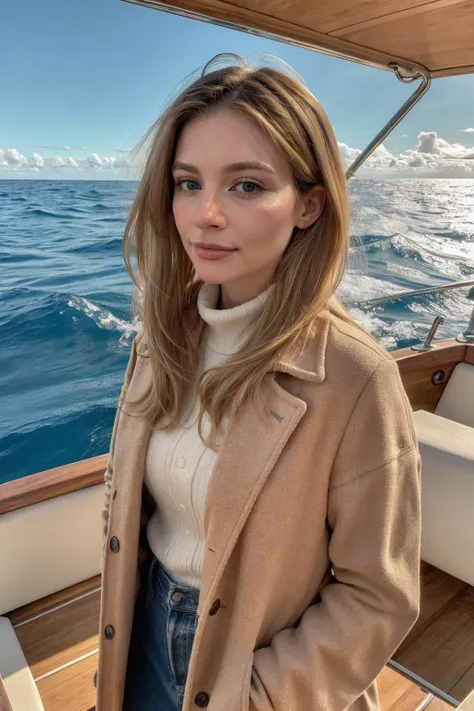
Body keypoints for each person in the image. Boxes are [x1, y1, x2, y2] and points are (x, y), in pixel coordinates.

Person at [96, 54, 422, 711]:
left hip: (254, 665)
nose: (206, 214)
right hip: (139, 624)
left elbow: (377, 595)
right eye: (188, 183)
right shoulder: (158, 342)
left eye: (245, 186)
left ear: (308, 205)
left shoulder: (357, 379)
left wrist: (261, 695)